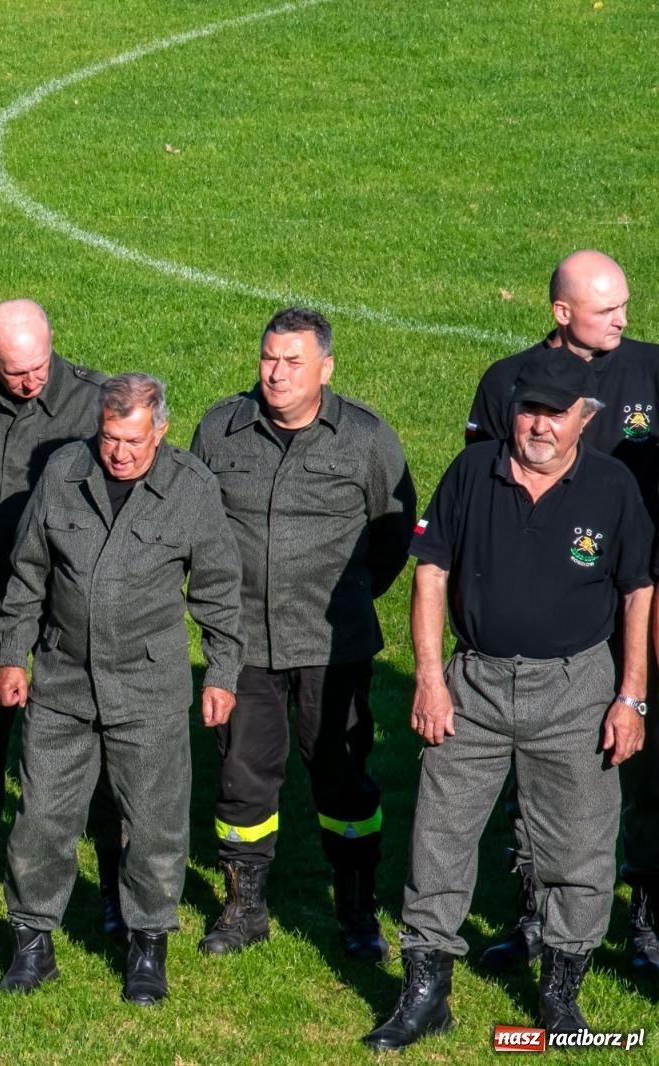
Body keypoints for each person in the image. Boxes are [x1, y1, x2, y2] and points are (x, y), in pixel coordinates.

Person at [365, 350, 651, 1050]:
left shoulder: (613, 487)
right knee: (439, 837)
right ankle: (425, 993)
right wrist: (430, 678)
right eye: (529, 411)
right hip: (476, 687)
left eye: (556, 415)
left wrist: (632, 697)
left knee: (580, 847)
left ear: (585, 418)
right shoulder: (471, 472)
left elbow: (640, 590)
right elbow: (430, 574)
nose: (539, 426)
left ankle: (561, 994)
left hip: (577, 689)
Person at [0, 373, 242, 1005]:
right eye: (109, 438)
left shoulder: (191, 489)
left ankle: (147, 947)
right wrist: (11, 657)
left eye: (133, 440)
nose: (119, 453)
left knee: (155, 826)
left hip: (149, 686)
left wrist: (220, 673)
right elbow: (28, 571)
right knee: (41, 817)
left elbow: (217, 587)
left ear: (159, 430)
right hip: (61, 680)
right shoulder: (64, 472)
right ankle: (32, 943)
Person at [190, 307, 415, 961]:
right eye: (268, 358)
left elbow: (392, 537)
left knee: (343, 778)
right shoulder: (219, 428)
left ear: (326, 368)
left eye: (293, 362)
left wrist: (345, 601)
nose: (276, 373)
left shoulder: (368, 439)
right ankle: (244, 907)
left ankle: (354, 906)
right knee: (242, 778)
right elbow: (197, 522)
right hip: (244, 644)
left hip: (332, 646)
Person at [465, 250, 659, 975]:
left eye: (624, 305)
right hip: (548, 619)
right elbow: (480, 496)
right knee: (537, 774)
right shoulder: (505, 384)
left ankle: (644, 910)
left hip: (637, 602)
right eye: (607, 309)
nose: (623, 319)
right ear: (560, 313)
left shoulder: (651, 370)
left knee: (643, 765)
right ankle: (535, 916)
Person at [0, 299, 124, 935]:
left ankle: (115, 895)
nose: (31, 382)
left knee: (89, 747)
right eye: (15, 372)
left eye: (39, 366)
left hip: (66, 606)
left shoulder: (92, 401)